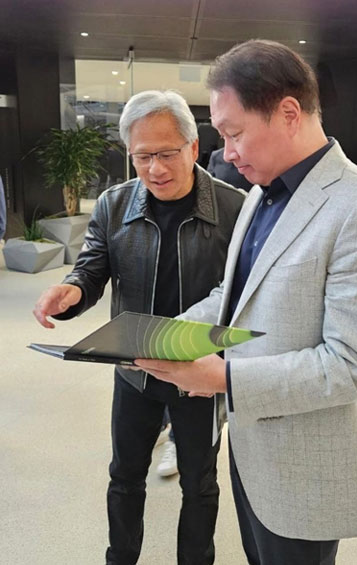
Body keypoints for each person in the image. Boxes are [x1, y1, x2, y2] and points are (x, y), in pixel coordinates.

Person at [135, 41, 357, 565]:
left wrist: (223, 378)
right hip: (253, 451)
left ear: (289, 113)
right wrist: (162, 333)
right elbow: (235, 298)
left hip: (306, 467)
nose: (226, 153)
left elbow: (354, 366)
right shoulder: (261, 195)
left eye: (234, 133)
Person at [33, 90, 245, 565]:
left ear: (193, 147)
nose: (155, 169)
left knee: (200, 483)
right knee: (125, 476)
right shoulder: (114, 204)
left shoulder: (235, 208)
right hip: (134, 370)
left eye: (167, 154)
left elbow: (242, 295)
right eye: (142, 156)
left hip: (200, 373)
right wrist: (71, 291)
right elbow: (91, 268)